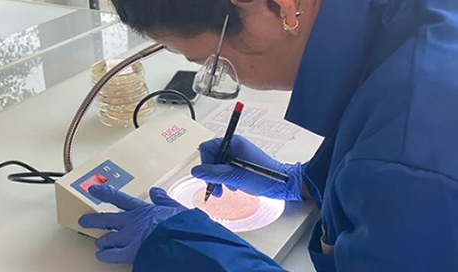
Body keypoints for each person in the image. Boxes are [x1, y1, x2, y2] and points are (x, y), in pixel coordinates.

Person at [78, 0, 458, 271]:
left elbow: (410, 170)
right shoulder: (408, 20)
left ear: (281, 8)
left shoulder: (406, 164)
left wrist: (183, 249)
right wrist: (305, 180)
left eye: (210, 61)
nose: (219, 77)